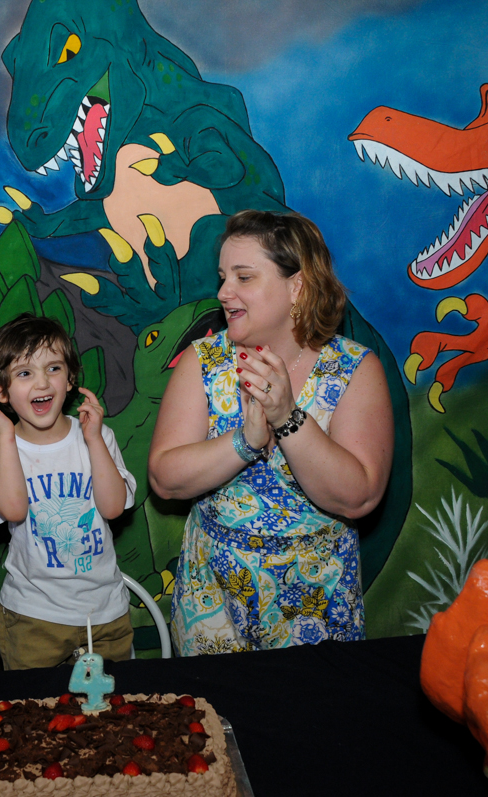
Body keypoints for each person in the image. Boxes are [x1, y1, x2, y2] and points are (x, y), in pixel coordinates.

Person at [148, 210, 393, 655]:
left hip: (315, 601)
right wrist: (244, 442)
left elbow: (358, 496)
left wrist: (288, 418)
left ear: (296, 287)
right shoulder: (201, 362)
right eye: (223, 277)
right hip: (213, 601)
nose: (224, 292)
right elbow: (165, 479)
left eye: (244, 277)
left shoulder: (355, 369)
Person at [0, 315, 136, 669]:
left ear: (71, 378)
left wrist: (94, 440)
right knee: (33, 717)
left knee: (111, 717)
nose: (42, 382)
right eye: (24, 373)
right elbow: (14, 510)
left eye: (53, 368)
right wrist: (5, 434)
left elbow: (113, 508)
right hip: (33, 616)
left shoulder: (97, 436)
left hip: (106, 613)